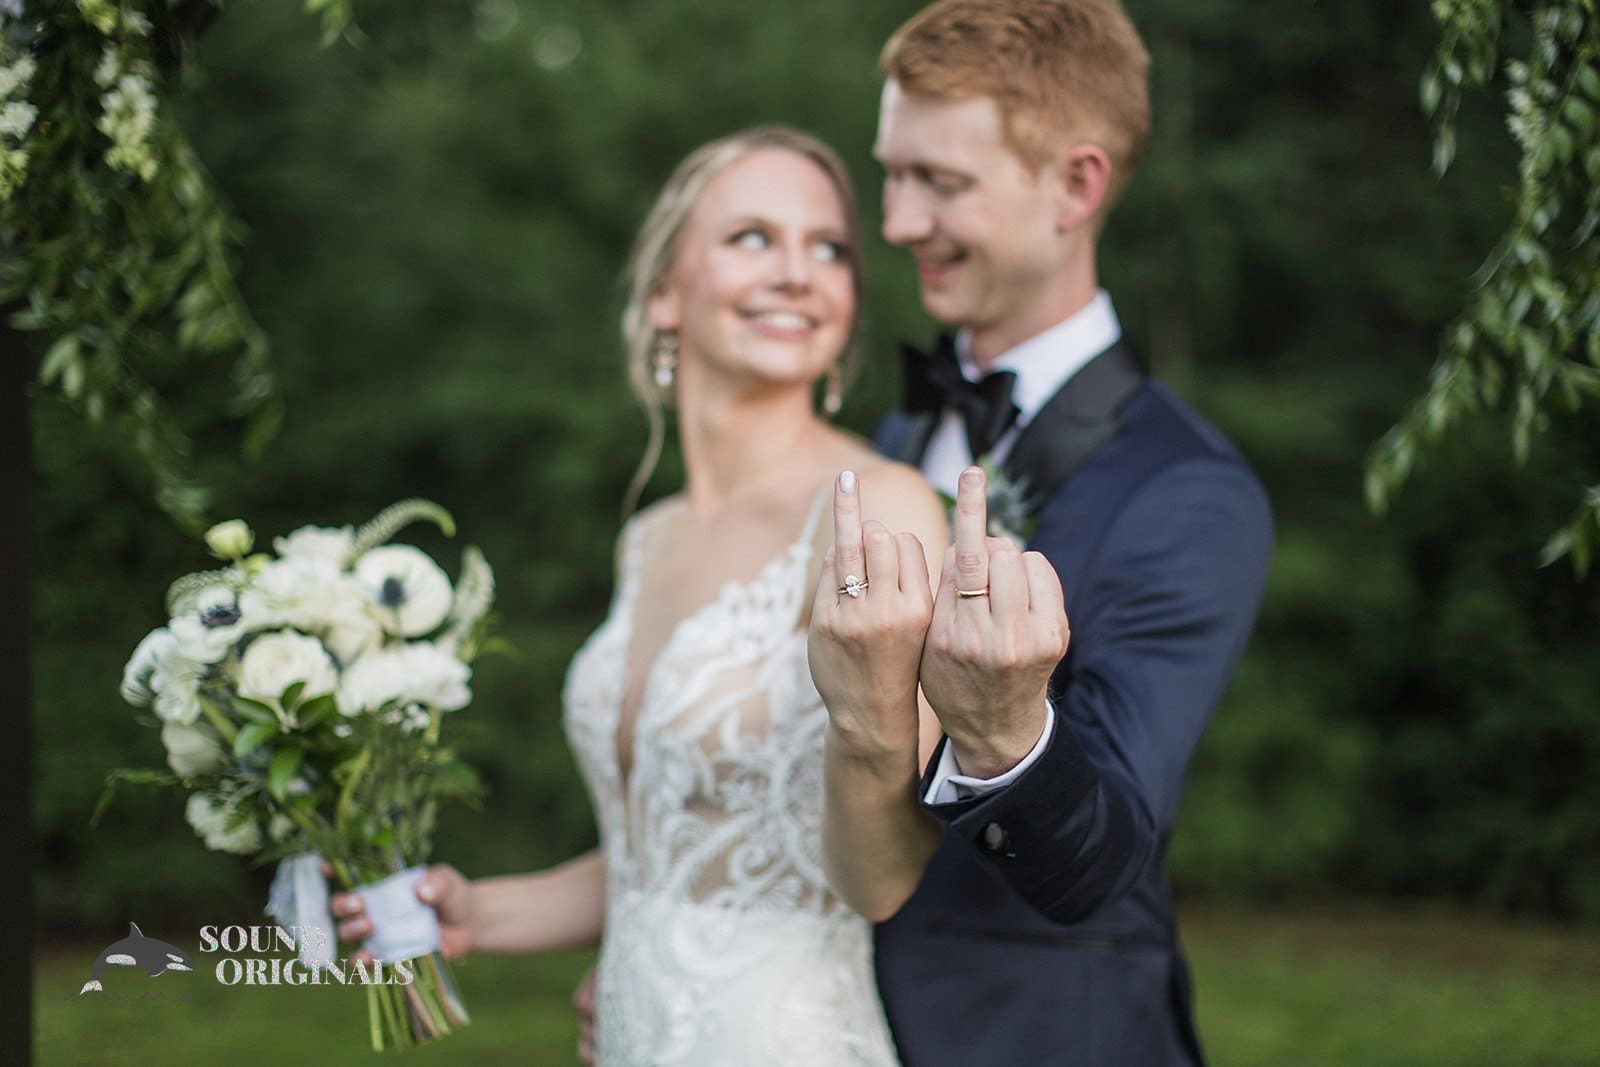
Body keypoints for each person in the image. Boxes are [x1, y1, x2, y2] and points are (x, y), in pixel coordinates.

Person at [330, 126, 950, 1065]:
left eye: (829, 248)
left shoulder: (874, 511)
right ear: (665, 291)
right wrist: (480, 910)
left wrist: (874, 724)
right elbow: (672, 854)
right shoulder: (647, 536)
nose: (798, 271)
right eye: (753, 237)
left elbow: (884, 877)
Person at [809, 1, 1275, 1065]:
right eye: (893, 172)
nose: (894, 220)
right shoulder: (889, 437)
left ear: (1076, 185)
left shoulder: (1189, 488)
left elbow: (1102, 855)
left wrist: (1008, 730)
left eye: (940, 182)